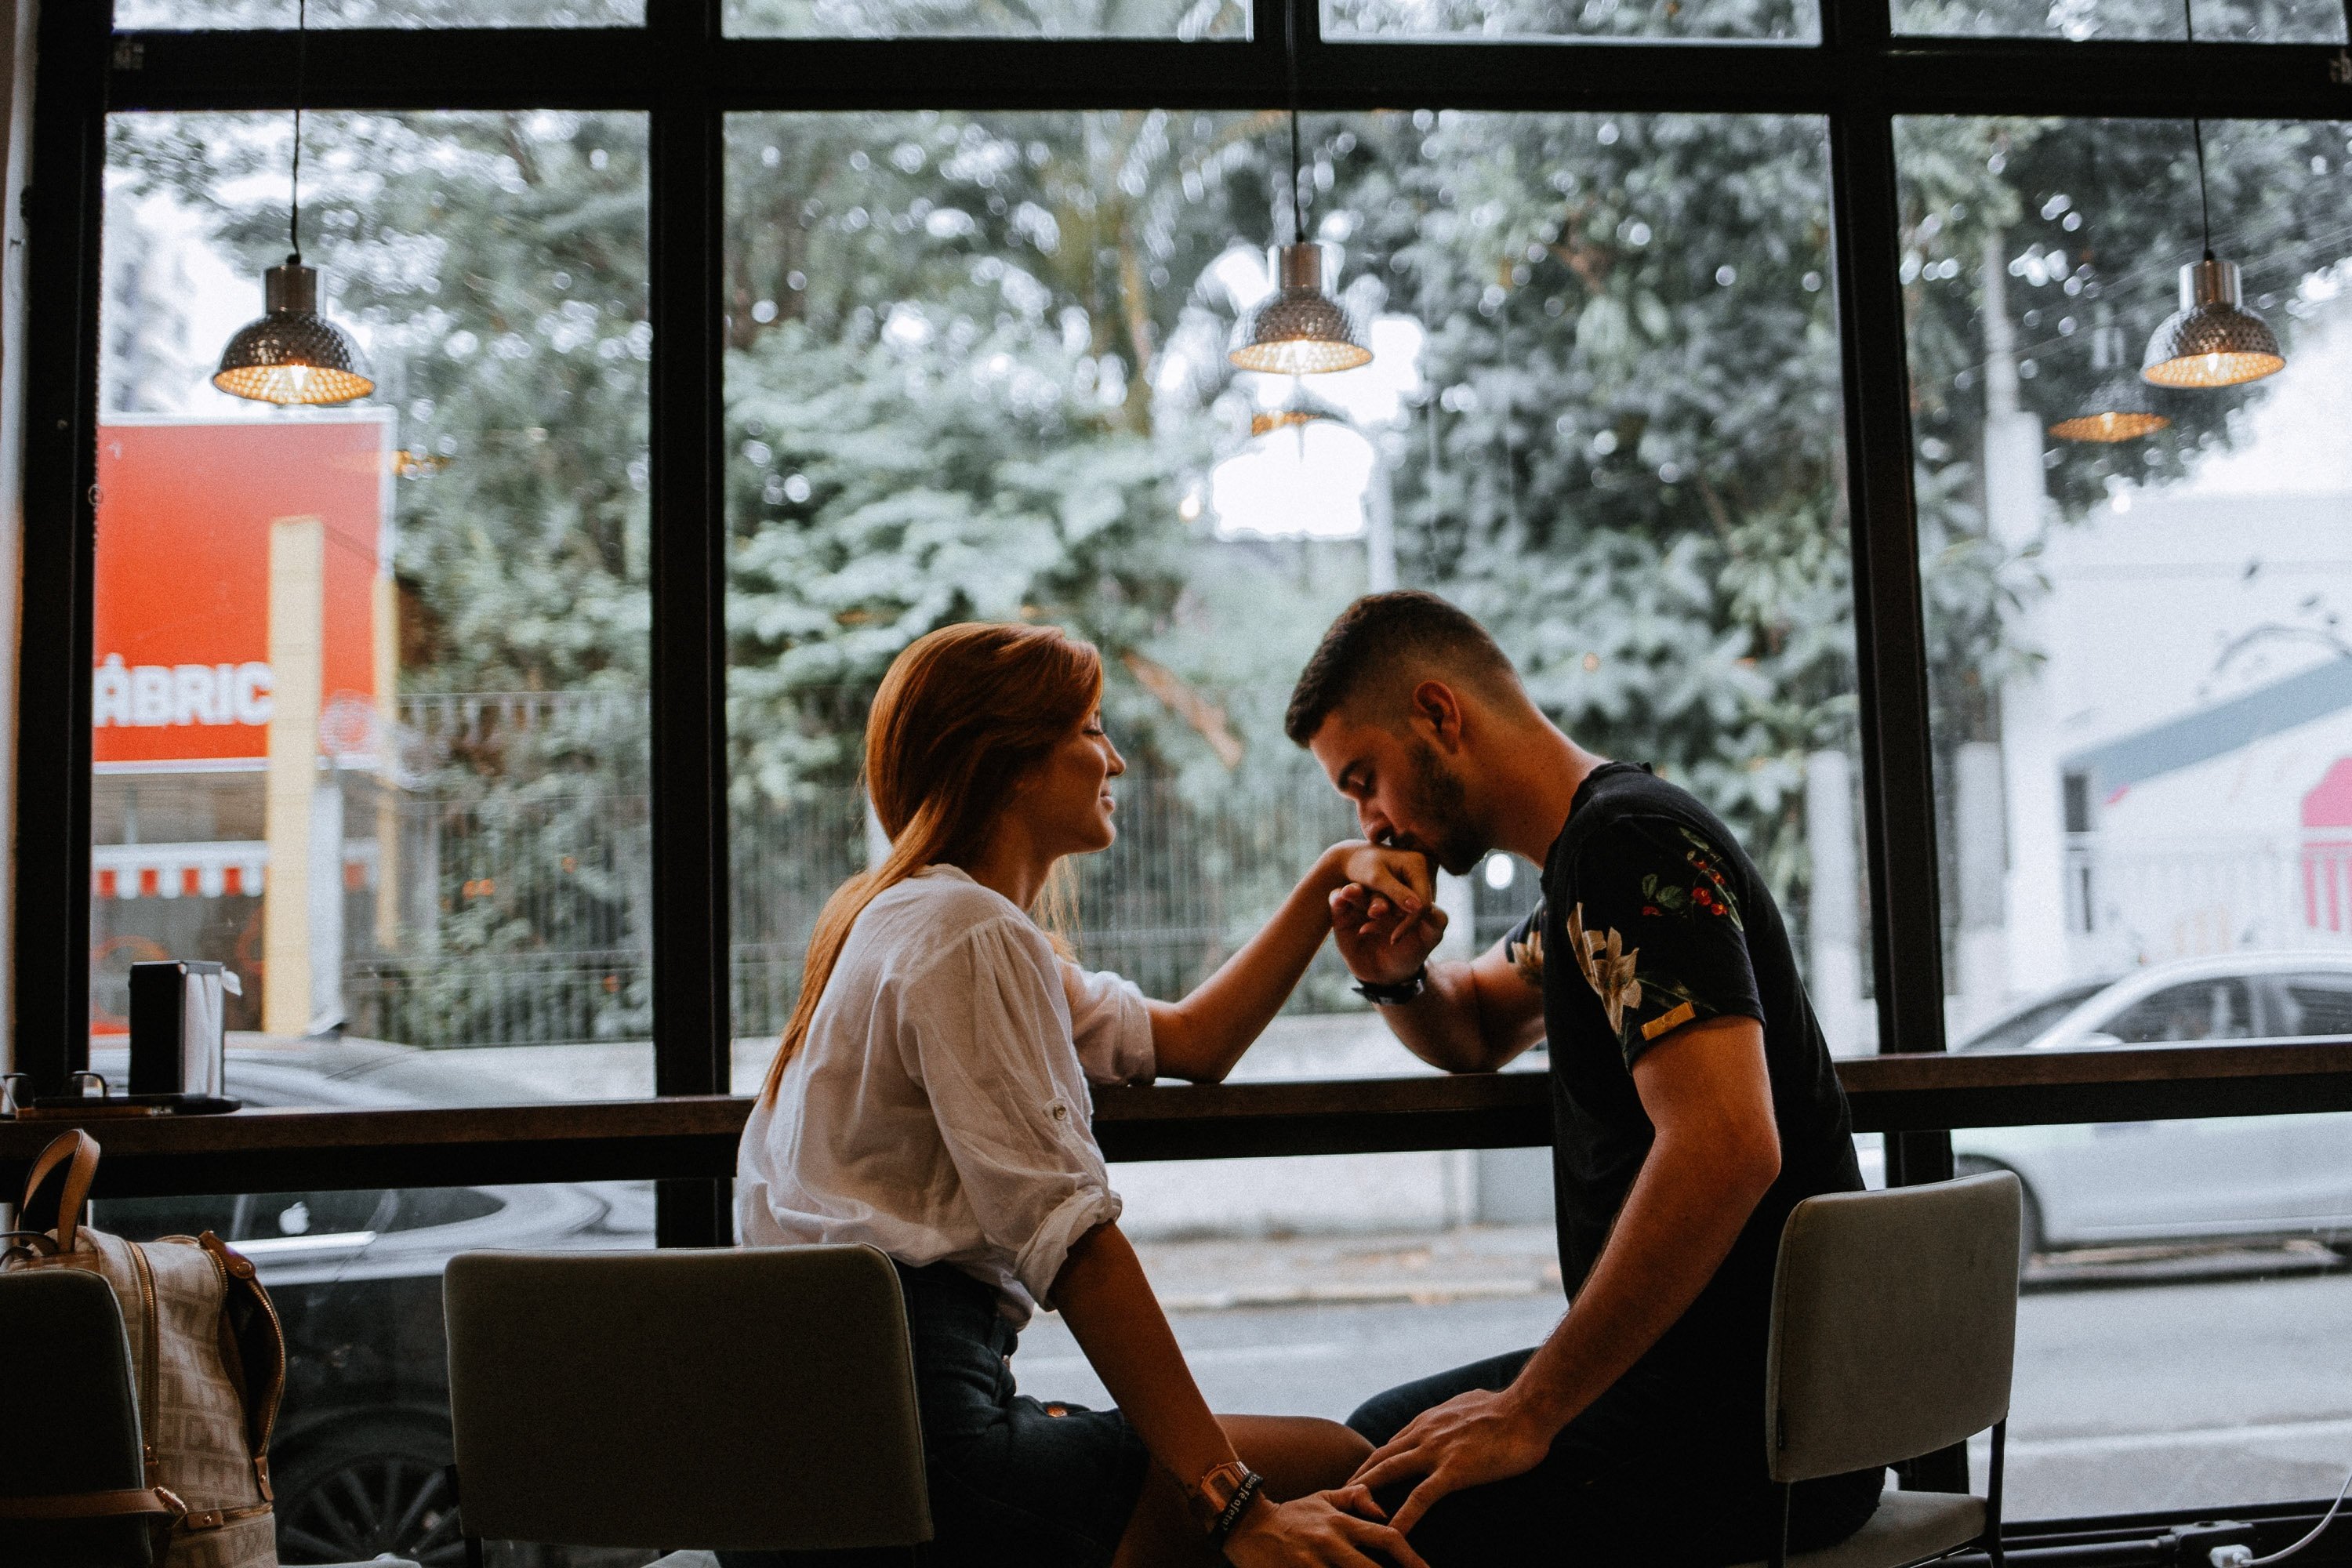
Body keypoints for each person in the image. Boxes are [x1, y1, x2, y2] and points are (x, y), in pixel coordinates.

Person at [734, 621, 1434, 1568]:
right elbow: (1075, 1245)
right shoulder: (965, 933)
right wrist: (1236, 1509)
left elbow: (1193, 1040)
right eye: (1091, 727)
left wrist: (1326, 882)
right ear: (1009, 761)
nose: (1117, 757)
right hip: (925, 1461)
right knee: (1344, 1475)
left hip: (806, 1466)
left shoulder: (920, 921)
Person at [1282, 590, 1881, 1567]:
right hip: (1730, 1400)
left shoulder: (1624, 845)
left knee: (1378, 1500)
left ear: (1440, 715)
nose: (1371, 823)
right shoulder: (1588, 866)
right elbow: (1475, 1021)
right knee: (1371, 1445)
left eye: (1365, 779)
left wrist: (1531, 1409)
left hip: (1754, 1431)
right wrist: (1394, 973)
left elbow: (1729, 1142)